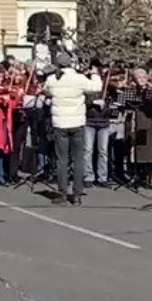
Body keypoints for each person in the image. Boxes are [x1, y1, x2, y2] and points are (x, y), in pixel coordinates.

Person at [44, 52, 101, 205]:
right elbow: (96, 88)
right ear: (71, 63)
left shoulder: (52, 79)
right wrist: (95, 74)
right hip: (77, 122)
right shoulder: (79, 78)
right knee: (78, 159)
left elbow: (47, 91)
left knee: (62, 159)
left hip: (60, 122)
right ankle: (77, 194)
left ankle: (62, 193)